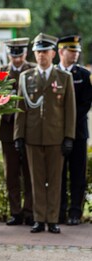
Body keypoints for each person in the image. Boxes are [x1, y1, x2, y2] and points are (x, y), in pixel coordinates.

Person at [14, 33, 76, 234]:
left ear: (53, 53)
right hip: (32, 137)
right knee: (36, 180)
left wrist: (69, 137)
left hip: (56, 137)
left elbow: (69, 110)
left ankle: (53, 219)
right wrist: (18, 136)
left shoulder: (64, 77)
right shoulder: (26, 77)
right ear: (34, 54)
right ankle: (39, 219)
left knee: (55, 180)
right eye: (38, 52)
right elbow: (20, 108)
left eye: (45, 51)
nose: (41, 55)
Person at [0, 38, 35, 226]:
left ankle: (29, 211)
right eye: (14, 55)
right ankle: (16, 212)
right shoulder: (3, 72)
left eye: (19, 55)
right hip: (8, 129)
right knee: (11, 174)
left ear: (25, 54)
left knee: (29, 173)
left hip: (29, 129)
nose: (17, 59)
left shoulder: (33, 70)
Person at [57, 35, 92, 225]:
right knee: (58, 174)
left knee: (78, 174)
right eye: (72, 51)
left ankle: (75, 212)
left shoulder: (84, 75)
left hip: (78, 133)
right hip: (56, 133)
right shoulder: (53, 74)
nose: (75, 55)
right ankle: (60, 211)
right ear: (61, 51)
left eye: (77, 51)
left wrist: (68, 121)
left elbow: (86, 103)